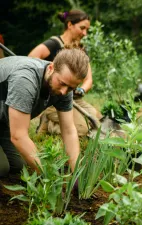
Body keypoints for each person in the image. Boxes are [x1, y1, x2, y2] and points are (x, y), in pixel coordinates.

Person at [0, 48, 89, 177]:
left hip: (3, 122)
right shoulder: (25, 79)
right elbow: (18, 136)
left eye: (71, 88)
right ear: (51, 68)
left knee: (18, 165)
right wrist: (48, 177)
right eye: (62, 83)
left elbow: (69, 131)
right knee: (2, 168)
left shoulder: (64, 87)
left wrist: (77, 172)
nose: (64, 91)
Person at [28, 9, 101, 136]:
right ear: (70, 25)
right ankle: (48, 123)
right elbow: (30, 60)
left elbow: (88, 79)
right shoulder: (54, 44)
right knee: (82, 130)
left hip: (74, 99)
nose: (85, 33)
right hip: (54, 99)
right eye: (82, 28)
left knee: (98, 121)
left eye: (87, 30)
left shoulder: (81, 50)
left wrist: (81, 90)